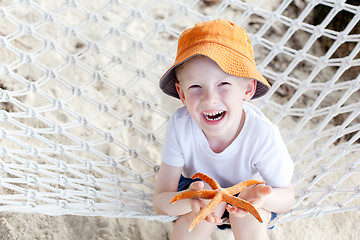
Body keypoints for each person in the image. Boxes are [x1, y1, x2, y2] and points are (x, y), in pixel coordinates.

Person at [153, 19, 295, 240]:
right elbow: (161, 199)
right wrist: (190, 202)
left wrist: (262, 199)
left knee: (249, 213)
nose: (209, 99)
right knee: (198, 212)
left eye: (223, 84)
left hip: (248, 191)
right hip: (197, 188)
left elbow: (287, 197)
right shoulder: (180, 125)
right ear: (182, 94)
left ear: (247, 88)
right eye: (196, 87)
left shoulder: (262, 133)